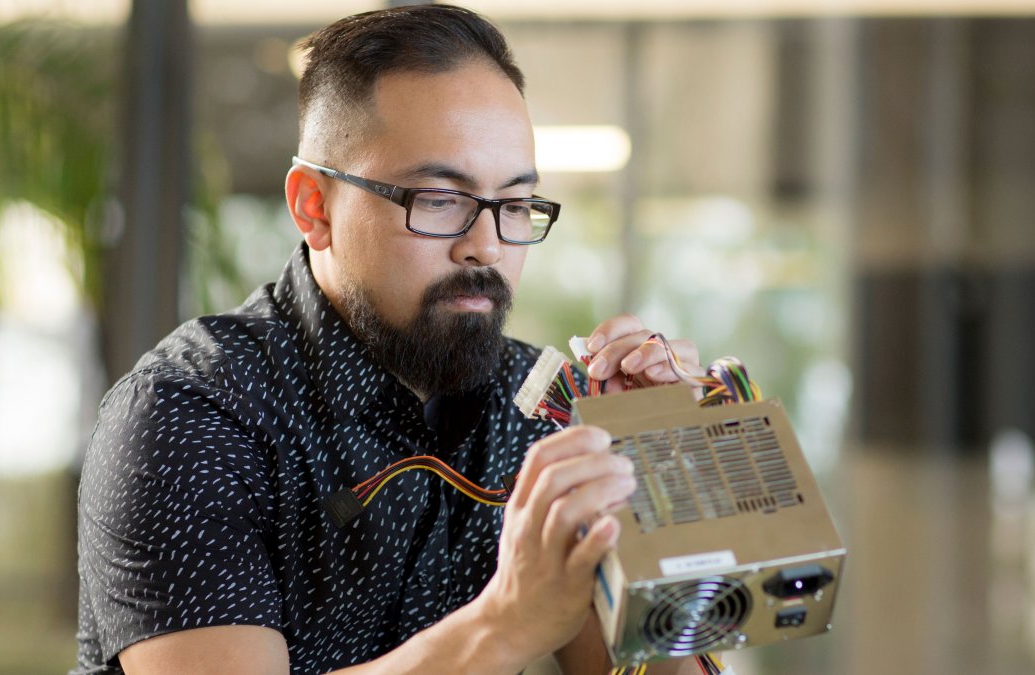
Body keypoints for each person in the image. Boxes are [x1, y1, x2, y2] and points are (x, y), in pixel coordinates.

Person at [72, 5, 708, 675]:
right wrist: (505, 622)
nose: (485, 247)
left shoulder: (536, 413)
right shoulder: (190, 414)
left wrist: (656, 480)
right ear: (313, 206)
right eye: (438, 199)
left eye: (515, 205)